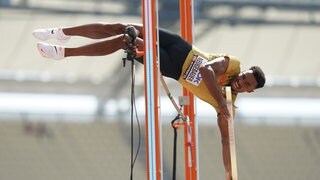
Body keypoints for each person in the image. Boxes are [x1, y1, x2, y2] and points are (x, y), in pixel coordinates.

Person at [33, 23, 265, 179]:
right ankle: (62, 32)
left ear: (250, 91)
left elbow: (226, 141)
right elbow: (206, 70)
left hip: (173, 67)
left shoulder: (226, 107)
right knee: (126, 28)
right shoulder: (232, 66)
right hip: (182, 48)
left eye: (246, 85)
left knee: (126, 41)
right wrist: (220, 102)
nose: (240, 82)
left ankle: (64, 53)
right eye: (244, 77)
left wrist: (229, 174)